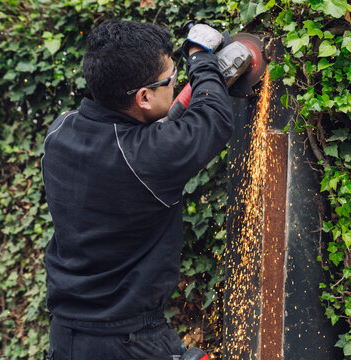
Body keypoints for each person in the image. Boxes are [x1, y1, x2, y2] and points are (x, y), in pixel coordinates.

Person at [41, 19, 232, 360]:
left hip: (66, 337)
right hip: (128, 342)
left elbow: (140, 140)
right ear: (144, 97)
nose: (176, 85)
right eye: (172, 80)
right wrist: (200, 56)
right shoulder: (148, 156)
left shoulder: (60, 131)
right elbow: (214, 118)